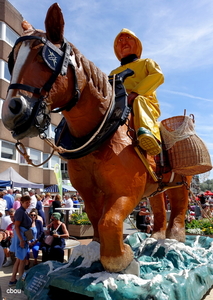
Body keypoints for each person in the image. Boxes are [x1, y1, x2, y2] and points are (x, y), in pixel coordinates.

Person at [110, 28, 164, 156]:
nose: (124, 42)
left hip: (146, 103)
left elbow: (158, 76)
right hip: (120, 107)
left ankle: (148, 135)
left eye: (128, 39)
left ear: (137, 45)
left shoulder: (146, 63)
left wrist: (135, 93)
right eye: (120, 41)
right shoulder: (113, 73)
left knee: (138, 100)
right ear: (116, 49)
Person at [9, 195, 32, 286]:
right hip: (21, 238)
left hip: (22, 237)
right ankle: (20, 280)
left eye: (29, 202)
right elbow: (17, 226)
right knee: (22, 260)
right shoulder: (20, 212)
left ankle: (13, 279)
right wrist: (22, 240)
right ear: (21, 202)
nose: (28, 204)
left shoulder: (23, 211)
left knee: (19, 259)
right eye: (27, 202)